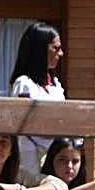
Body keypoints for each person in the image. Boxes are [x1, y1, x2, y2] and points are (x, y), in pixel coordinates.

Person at [10, 22, 66, 167]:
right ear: (40, 49)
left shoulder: (56, 86)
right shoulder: (24, 84)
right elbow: (23, 123)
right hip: (30, 154)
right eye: (56, 48)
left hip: (56, 155)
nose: (61, 53)